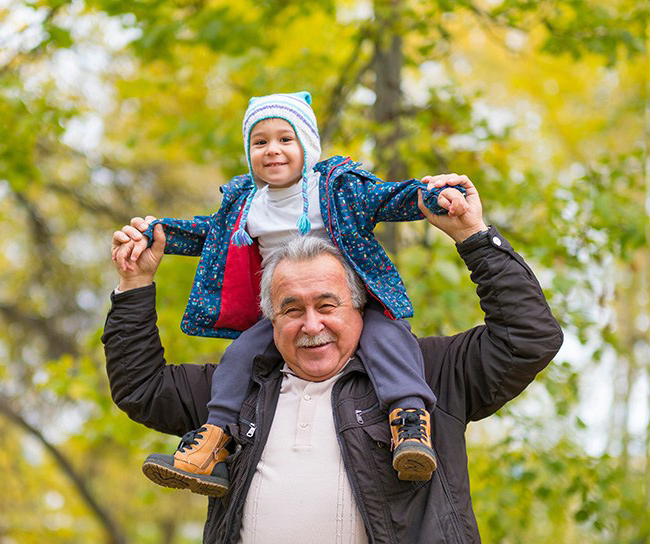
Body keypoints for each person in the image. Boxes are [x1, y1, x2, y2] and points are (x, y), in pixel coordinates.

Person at [103, 177, 564, 543]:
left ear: (360, 305)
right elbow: (141, 388)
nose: (311, 325)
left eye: (327, 306)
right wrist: (134, 285)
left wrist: (473, 237)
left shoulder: (427, 375)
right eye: (291, 309)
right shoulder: (236, 388)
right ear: (268, 318)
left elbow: (528, 337)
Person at [111, 91, 472, 495]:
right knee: (240, 356)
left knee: (390, 340)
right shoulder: (246, 205)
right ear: (249, 153)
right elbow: (204, 234)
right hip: (285, 311)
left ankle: (408, 422)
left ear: (307, 146)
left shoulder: (334, 190)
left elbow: (386, 198)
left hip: (349, 303)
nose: (273, 151)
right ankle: (215, 439)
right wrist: (153, 233)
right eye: (260, 142)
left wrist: (431, 195)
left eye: (286, 139)